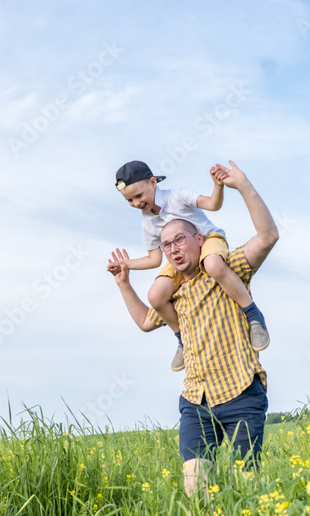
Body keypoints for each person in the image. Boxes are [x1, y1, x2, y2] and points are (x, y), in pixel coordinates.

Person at [107, 161, 279, 495]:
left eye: (179, 240)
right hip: (196, 400)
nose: (173, 249)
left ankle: (253, 315)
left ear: (199, 238)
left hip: (240, 390)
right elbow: (144, 321)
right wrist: (124, 283)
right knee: (196, 490)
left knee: (247, 488)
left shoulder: (228, 269)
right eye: (167, 245)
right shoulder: (172, 294)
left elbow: (268, 236)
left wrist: (242, 185)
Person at [113, 160, 269, 373]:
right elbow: (154, 259)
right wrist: (126, 265)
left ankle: (252, 314)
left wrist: (218, 186)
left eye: (138, 196)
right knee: (155, 295)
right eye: (129, 200)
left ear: (153, 182)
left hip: (208, 239)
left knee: (213, 265)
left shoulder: (176, 197)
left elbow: (213, 205)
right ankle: (182, 338)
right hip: (181, 255)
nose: (135, 203)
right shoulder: (148, 223)